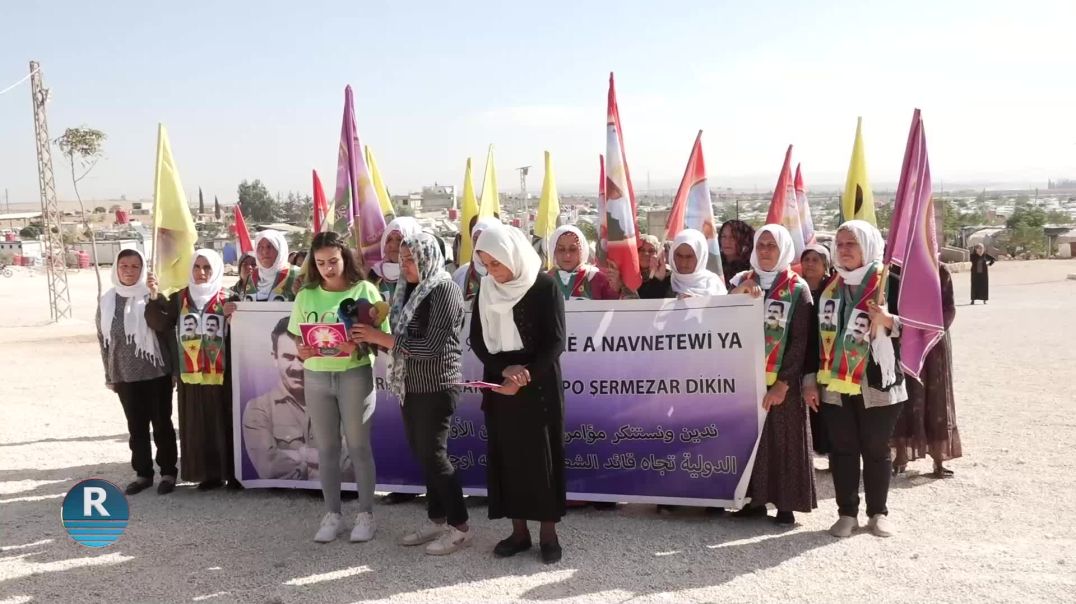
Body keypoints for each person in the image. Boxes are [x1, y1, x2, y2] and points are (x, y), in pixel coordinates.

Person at [353, 232, 471, 556]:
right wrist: (370, 335)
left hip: (436, 384)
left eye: (412, 258)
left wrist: (382, 337)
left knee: (434, 454)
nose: (405, 265)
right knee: (423, 454)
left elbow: (431, 347)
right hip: (411, 385)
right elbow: (401, 342)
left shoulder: (444, 289)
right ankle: (437, 518)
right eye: (402, 259)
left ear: (429, 256)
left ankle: (459, 527)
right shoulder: (410, 291)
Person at [471, 226, 566, 564]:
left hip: (538, 383)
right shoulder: (486, 288)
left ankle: (548, 534)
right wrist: (502, 372)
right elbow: (479, 341)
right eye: (486, 264)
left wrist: (524, 375)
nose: (492, 271)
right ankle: (519, 533)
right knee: (507, 457)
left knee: (542, 459)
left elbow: (556, 342)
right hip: (500, 382)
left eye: (496, 263)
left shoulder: (544, 286)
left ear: (512, 254)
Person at [807, 220, 907, 539]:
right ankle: (846, 513)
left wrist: (889, 321)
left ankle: (879, 512)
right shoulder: (829, 288)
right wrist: (810, 381)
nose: (844, 249)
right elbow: (813, 338)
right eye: (840, 244)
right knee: (843, 449)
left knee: (876, 448)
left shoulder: (890, 281)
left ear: (868, 245)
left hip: (877, 381)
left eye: (852, 243)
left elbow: (917, 327)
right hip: (836, 384)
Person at [288, 231, 388, 543]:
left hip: (354, 375)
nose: (328, 268)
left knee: (358, 447)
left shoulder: (365, 290)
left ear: (345, 258)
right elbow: (297, 336)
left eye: (333, 261)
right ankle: (333, 515)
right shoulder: (306, 295)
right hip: (317, 377)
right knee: (327, 449)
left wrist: (357, 345)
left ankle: (366, 515)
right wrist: (301, 350)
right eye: (320, 263)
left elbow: (381, 337)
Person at [729, 225, 817, 525]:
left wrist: (783, 383)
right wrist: (736, 294)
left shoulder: (797, 288)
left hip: (782, 383)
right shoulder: (743, 280)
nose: (765, 251)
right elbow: (719, 320)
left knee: (784, 440)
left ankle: (786, 503)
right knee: (753, 440)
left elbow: (800, 341)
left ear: (783, 250)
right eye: (761, 245)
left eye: (772, 246)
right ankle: (755, 499)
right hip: (745, 380)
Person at [147, 249, 236, 491]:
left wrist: (234, 316)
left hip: (222, 375)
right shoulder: (179, 298)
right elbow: (160, 323)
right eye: (197, 267)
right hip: (191, 375)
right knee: (197, 424)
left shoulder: (229, 297)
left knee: (225, 420)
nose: (202, 273)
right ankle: (207, 475)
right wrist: (154, 298)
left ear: (216, 269)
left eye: (207, 267)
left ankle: (232, 473)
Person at [96, 249, 177, 495]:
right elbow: (103, 339)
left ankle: (168, 472)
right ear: (116, 269)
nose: (129, 271)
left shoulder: (152, 295)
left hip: (156, 373)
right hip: (124, 375)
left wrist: (154, 297)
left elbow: (164, 328)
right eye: (124, 266)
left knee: (162, 424)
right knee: (136, 427)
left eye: (134, 266)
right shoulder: (107, 300)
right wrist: (109, 374)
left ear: (142, 270)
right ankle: (143, 474)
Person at [892, 264, 962, 478]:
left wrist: (929, 330)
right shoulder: (895, 269)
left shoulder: (939, 270)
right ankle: (900, 453)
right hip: (904, 339)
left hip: (934, 343)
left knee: (937, 396)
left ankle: (938, 457)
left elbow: (948, 308)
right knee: (904, 395)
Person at [242, 317, 319, 480]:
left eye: (303, 358)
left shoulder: (335, 403)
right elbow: (269, 468)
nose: (297, 367)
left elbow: (350, 467)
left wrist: (299, 456)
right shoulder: (259, 409)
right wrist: (324, 463)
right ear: (274, 358)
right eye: (289, 357)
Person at [800, 244, 835, 457]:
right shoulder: (795, 289)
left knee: (829, 407)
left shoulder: (832, 291)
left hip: (827, 356)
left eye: (816, 260)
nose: (810, 264)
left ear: (826, 265)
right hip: (803, 356)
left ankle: (833, 453)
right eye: (807, 259)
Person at [547, 225, 619, 300]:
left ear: (582, 251)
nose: (567, 255)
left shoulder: (596, 278)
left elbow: (617, 307)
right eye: (561, 249)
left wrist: (617, 288)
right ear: (553, 251)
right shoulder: (544, 281)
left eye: (573, 249)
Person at [371, 217, 423, 304]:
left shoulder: (423, 279)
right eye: (389, 239)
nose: (393, 245)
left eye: (399, 239)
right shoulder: (374, 276)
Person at [238, 230, 300, 302]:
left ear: (280, 249)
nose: (265, 252)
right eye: (260, 247)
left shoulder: (297, 275)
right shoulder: (252, 277)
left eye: (270, 246)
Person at [669, 229, 728, 298]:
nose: (683, 262)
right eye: (679, 255)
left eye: (689, 257)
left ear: (701, 256)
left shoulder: (713, 284)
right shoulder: (665, 281)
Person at [453, 216, 501, 300]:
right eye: (475, 239)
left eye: (484, 239)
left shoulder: (508, 273)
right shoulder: (461, 274)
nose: (479, 244)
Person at [718, 219, 755, 290]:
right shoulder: (715, 264)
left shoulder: (751, 266)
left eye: (732, 237)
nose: (727, 241)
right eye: (723, 236)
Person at [634, 234, 671, 299]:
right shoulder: (629, 276)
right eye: (642, 250)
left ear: (657, 253)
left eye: (651, 251)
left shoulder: (668, 275)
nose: (646, 254)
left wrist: (659, 279)